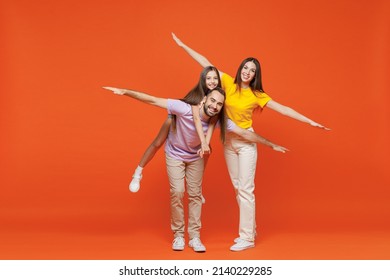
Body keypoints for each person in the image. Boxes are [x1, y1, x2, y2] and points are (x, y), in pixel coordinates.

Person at [171, 32, 330, 251]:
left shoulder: (257, 94)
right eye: (245, 68)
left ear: (255, 75)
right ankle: (251, 229)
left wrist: (310, 121)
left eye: (252, 70)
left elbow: (283, 109)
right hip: (229, 142)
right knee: (238, 188)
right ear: (240, 69)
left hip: (246, 143)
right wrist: (182, 45)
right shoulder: (227, 83)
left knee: (246, 189)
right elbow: (206, 63)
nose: (247, 72)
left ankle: (247, 238)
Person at [103, 84, 288, 253]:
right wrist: (126, 92)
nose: (215, 106)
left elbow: (244, 132)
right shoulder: (183, 109)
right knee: (177, 192)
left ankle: (194, 237)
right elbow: (152, 100)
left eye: (219, 104)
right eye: (213, 100)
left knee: (195, 195)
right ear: (204, 100)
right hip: (174, 154)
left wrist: (271, 144)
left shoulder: (218, 121)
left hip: (195, 158)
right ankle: (178, 235)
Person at [129, 66, 221, 195]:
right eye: (209, 78)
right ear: (203, 80)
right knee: (157, 143)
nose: (212, 81)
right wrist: (125, 92)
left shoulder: (218, 98)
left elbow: (213, 121)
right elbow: (196, 118)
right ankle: (138, 172)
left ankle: (196, 187)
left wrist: (205, 143)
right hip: (177, 118)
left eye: (215, 78)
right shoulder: (199, 96)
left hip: (194, 132)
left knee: (207, 151)